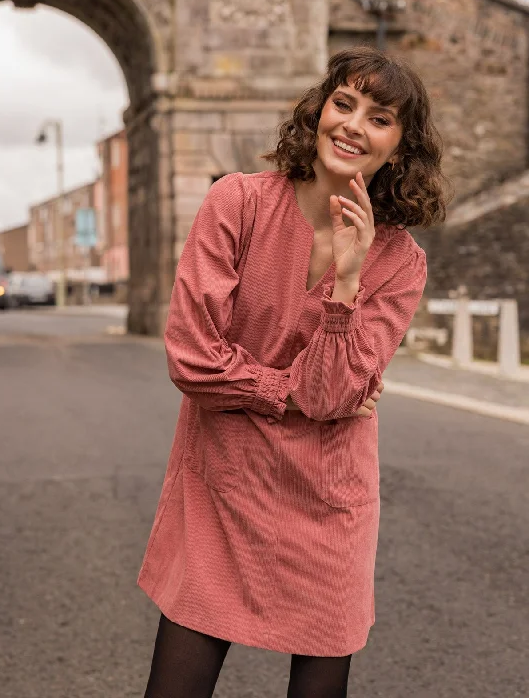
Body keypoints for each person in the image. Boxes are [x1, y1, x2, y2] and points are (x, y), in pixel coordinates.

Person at [138, 46, 452, 698]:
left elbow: (333, 394)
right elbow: (193, 359)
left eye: (380, 117)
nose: (353, 126)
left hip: (326, 499)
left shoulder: (399, 262)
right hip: (221, 483)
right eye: (344, 103)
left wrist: (346, 280)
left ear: (398, 147)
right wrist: (288, 390)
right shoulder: (238, 204)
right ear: (317, 112)